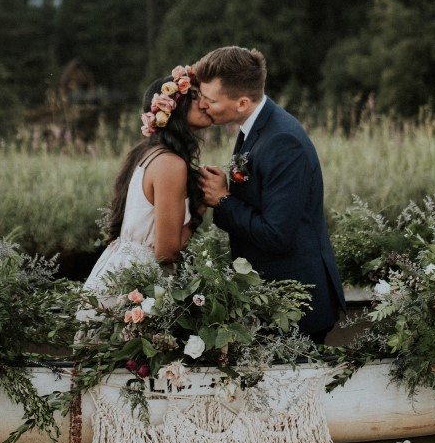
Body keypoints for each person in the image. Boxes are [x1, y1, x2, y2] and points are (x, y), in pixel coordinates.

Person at [195, 46, 344, 342]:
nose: (202, 105)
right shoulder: (256, 126)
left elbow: (277, 234)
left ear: (241, 102)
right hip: (274, 297)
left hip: (297, 304)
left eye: (210, 100)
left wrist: (224, 200)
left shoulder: (282, 140)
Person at [83, 65, 212, 293]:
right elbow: (166, 253)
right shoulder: (170, 163)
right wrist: (199, 211)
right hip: (139, 281)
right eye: (193, 96)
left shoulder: (147, 153)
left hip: (118, 270)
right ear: (172, 107)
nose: (204, 103)